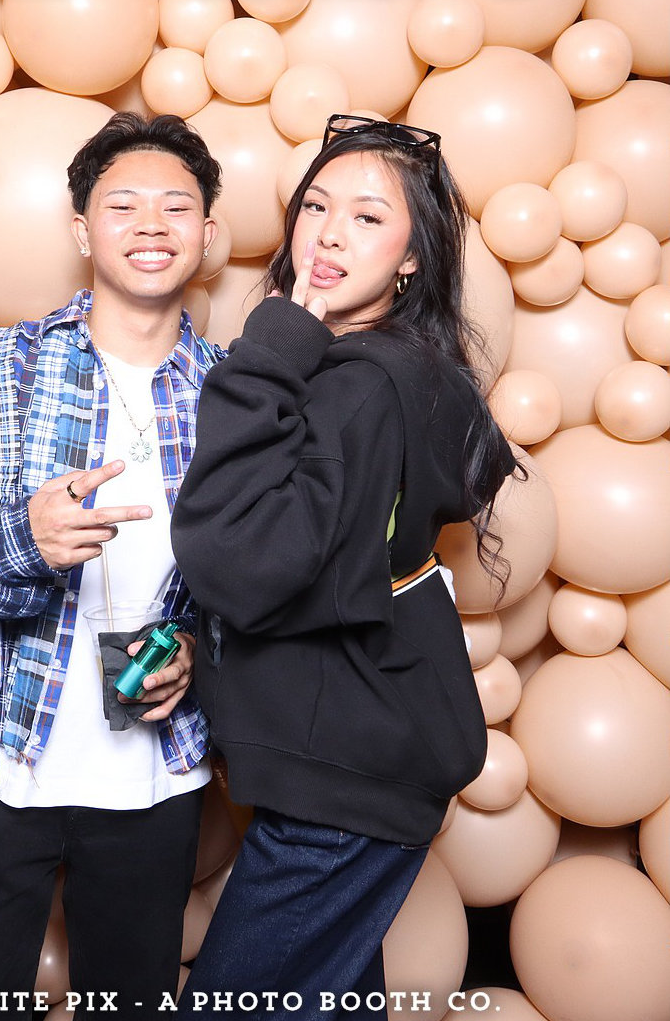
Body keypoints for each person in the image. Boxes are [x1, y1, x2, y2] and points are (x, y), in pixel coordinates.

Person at [170, 114, 519, 1020]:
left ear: (413, 259)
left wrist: (270, 351)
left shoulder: (357, 385)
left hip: (346, 783)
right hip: (369, 752)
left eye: (367, 217)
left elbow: (237, 560)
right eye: (316, 207)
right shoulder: (415, 369)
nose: (327, 235)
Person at [0, 112, 223, 1021]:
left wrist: (199, 650)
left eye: (175, 207)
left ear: (206, 234)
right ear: (81, 230)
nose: (150, 225)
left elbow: (262, 589)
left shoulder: (238, 398)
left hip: (154, 776)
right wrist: (22, 544)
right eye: (122, 205)